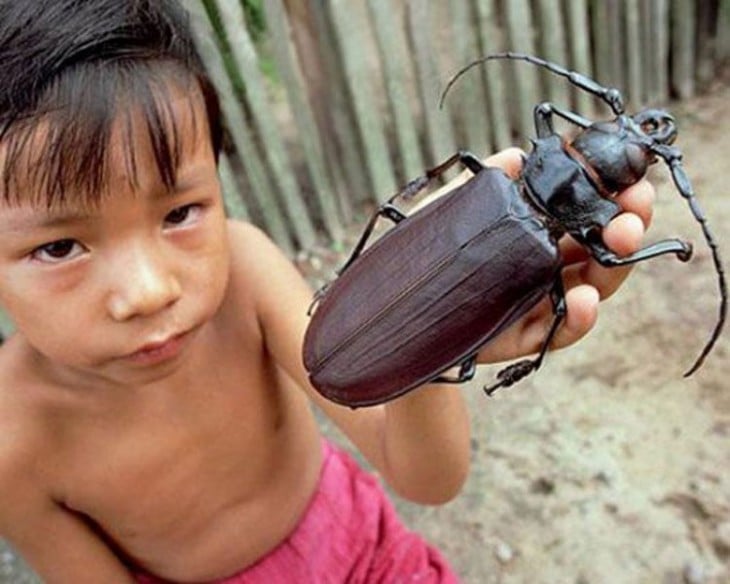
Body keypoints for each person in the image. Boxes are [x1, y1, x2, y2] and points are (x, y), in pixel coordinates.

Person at [0, 1, 655, 582]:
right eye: (58, 247)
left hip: (366, 552)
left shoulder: (245, 273)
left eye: (179, 213)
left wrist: (436, 323)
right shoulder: (11, 443)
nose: (146, 291)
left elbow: (428, 479)